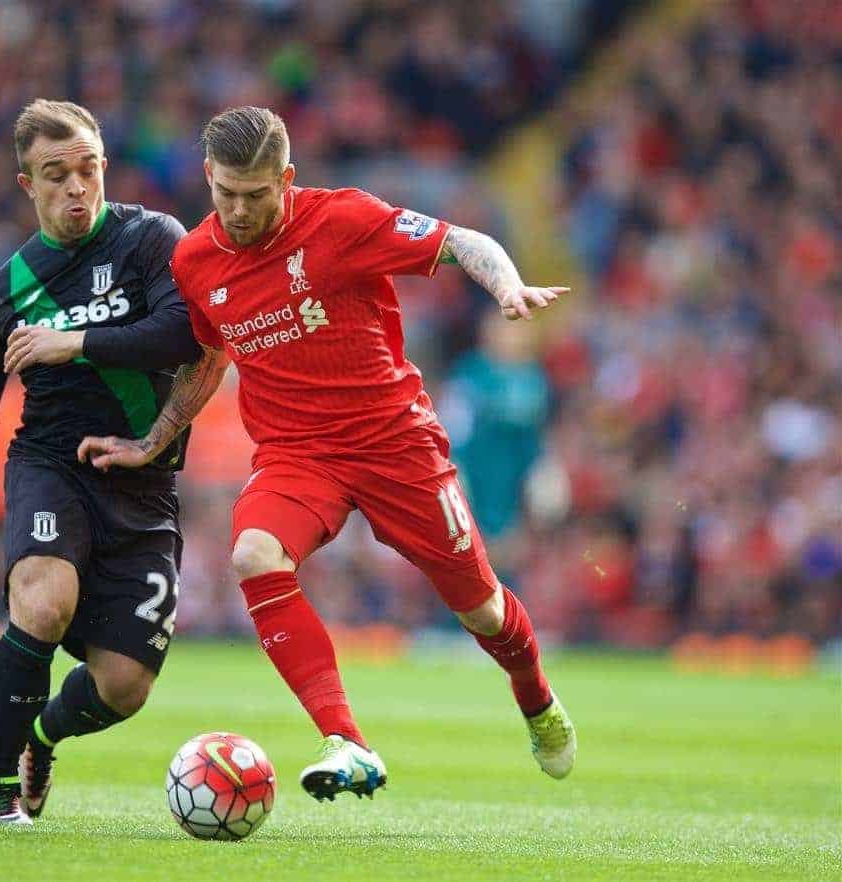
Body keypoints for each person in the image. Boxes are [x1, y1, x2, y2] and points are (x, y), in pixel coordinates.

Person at [78, 106, 576, 802]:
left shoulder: (342, 222)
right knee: (254, 554)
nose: (241, 210)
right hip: (296, 453)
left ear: (287, 178)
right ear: (207, 178)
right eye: (226, 193)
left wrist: (506, 286)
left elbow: (463, 241)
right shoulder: (194, 260)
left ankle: (535, 694)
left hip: (394, 443)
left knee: (482, 610)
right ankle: (348, 741)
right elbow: (208, 358)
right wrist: (155, 440)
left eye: (257, 194)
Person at [0, 99, 201, 824]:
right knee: (42, 602)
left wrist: (74, 344)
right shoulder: (3, 294)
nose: (76, 187)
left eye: (87, 169)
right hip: (52, 466)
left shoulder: (152, 240)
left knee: (125, 685)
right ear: (26, 185)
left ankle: (43, 737)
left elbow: (183, 333)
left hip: (146, 484)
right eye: (56, 174)